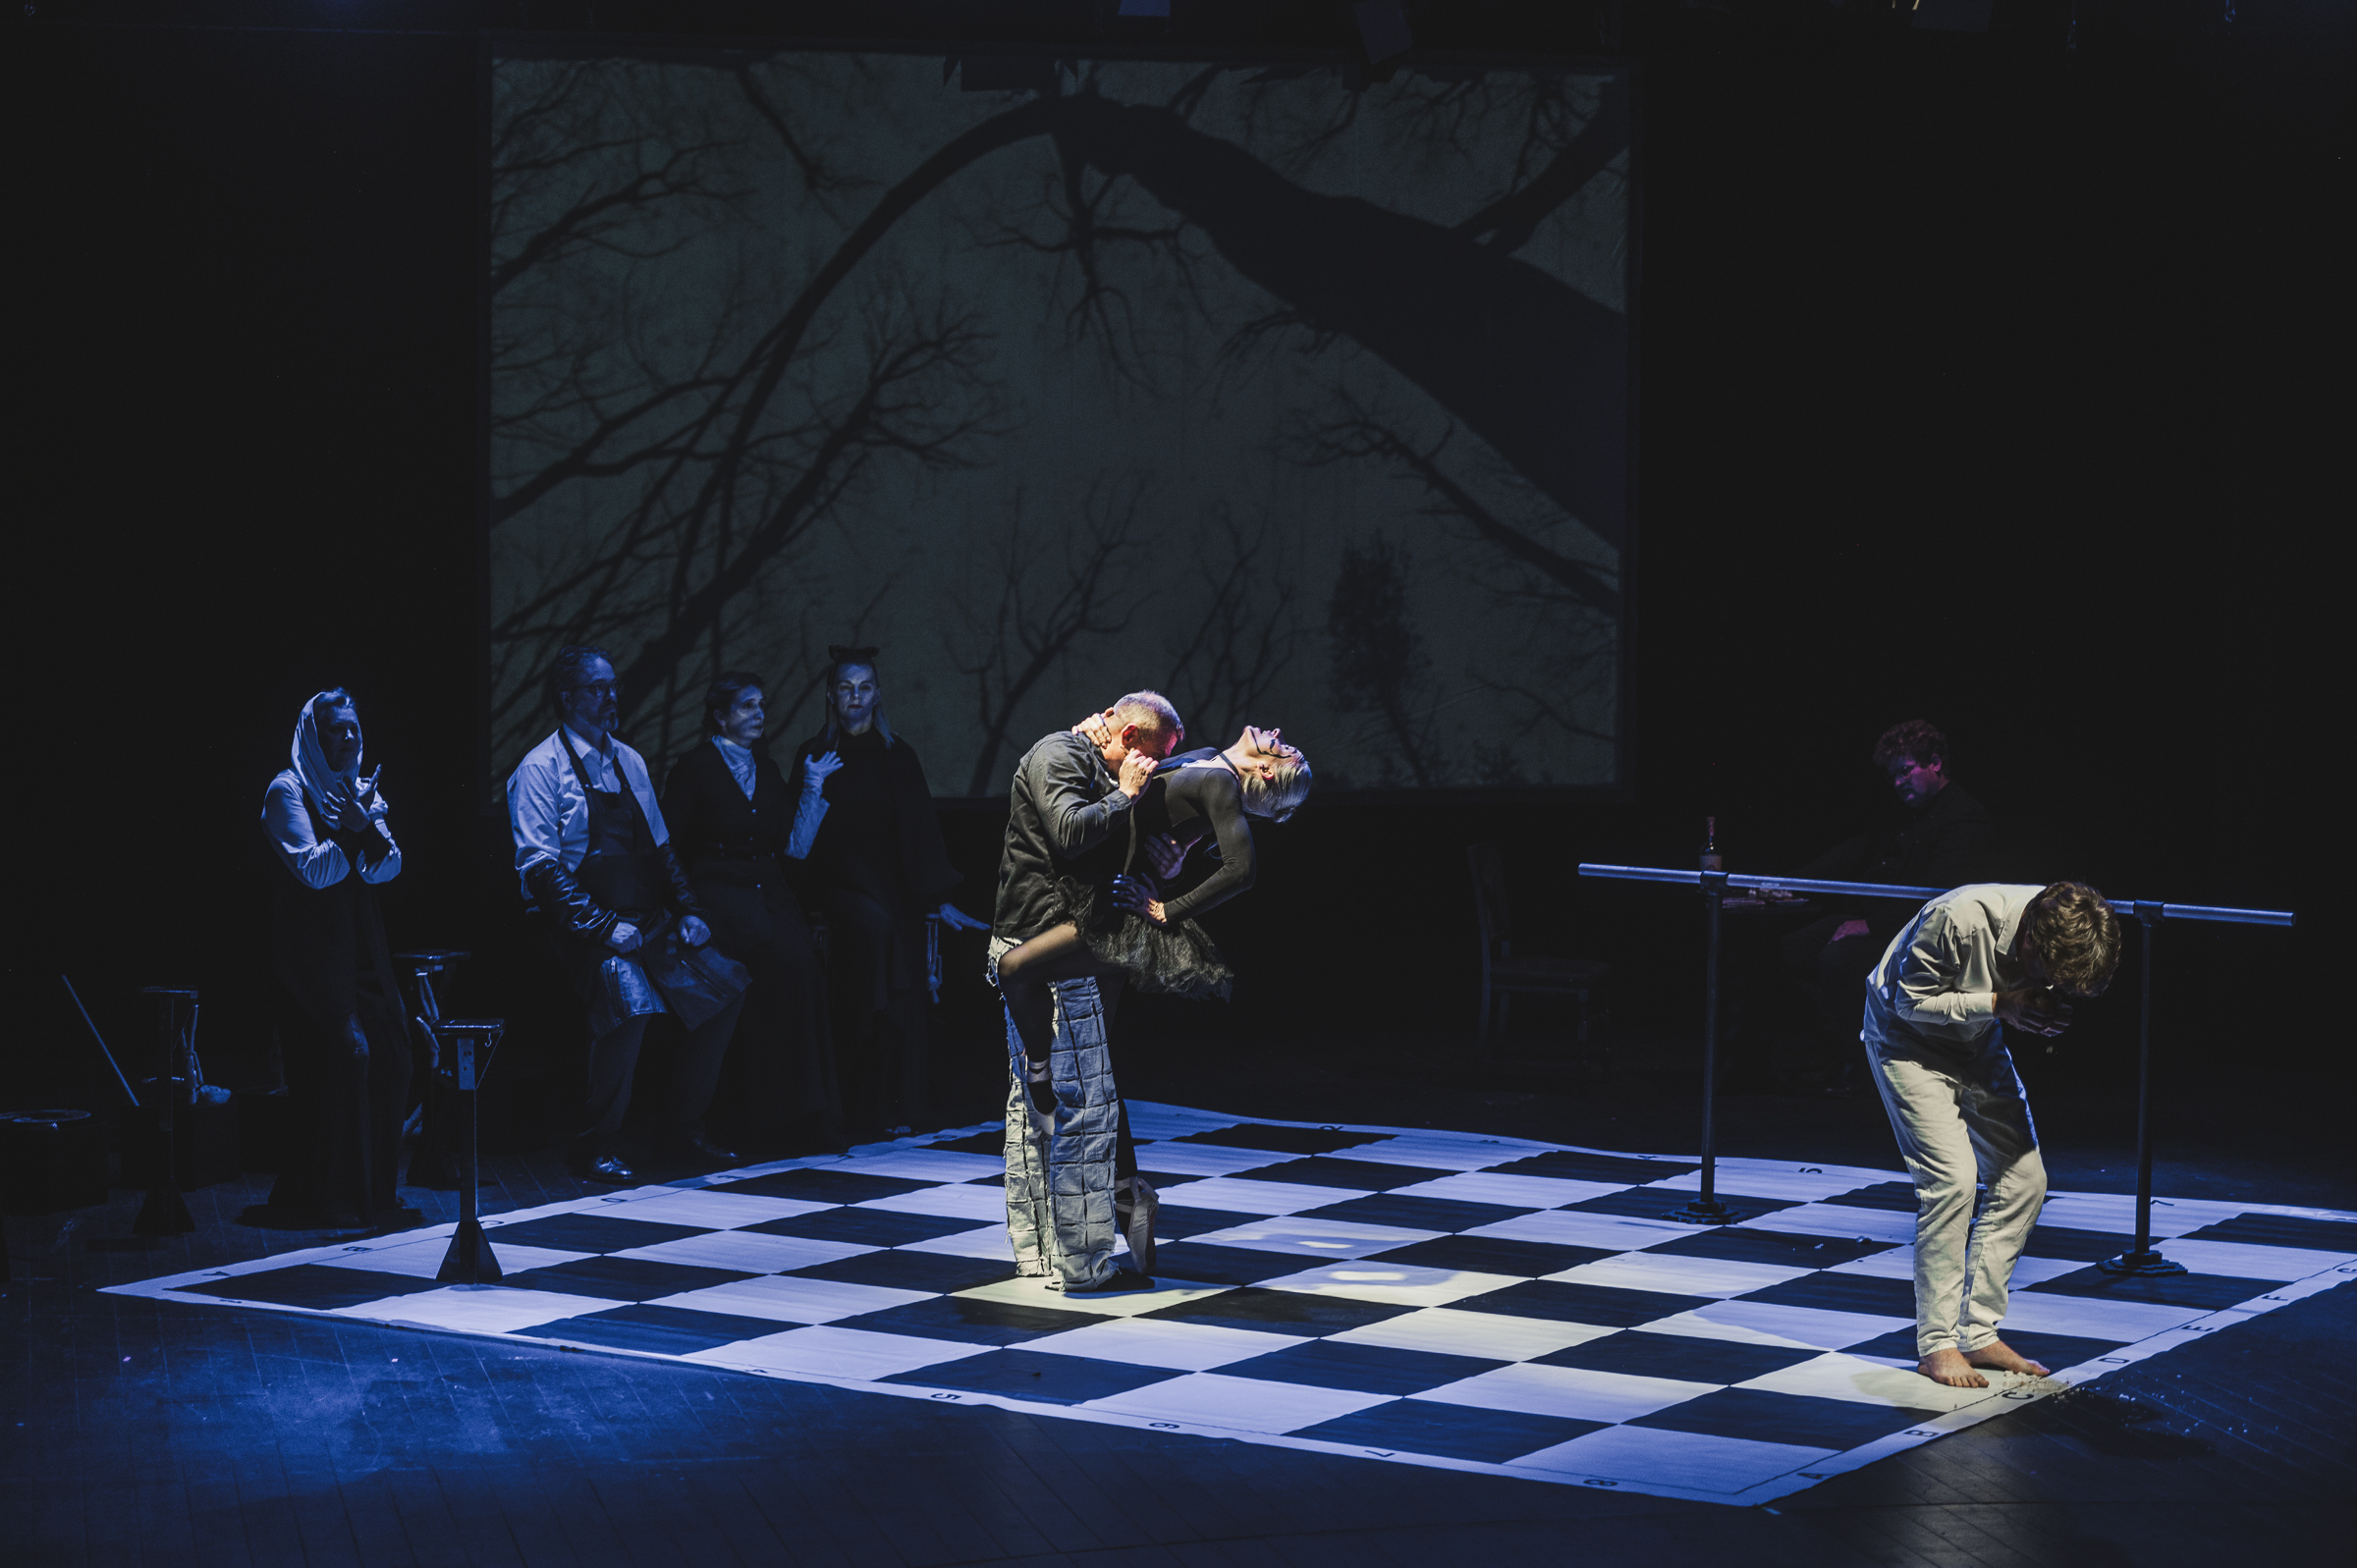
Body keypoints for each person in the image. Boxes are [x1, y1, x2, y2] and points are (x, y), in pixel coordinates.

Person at [1862, 880, 2120, 1389]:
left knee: (2024, 1182)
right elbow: (1907, 1001)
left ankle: (1977, 1332)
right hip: (1905, 1043)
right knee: (1952, 1183)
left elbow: (2010, 998)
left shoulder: (2061, 925)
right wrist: (2002, 1003)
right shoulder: (1958, 918)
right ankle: (1937, 1344)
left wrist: (2037, 1009)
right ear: (2029, 939)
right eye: (2044, 974)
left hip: (1976, 1043)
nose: (2044, 983)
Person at [508, 645, 747, 1183]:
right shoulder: (540, 768)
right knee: (630, 1000)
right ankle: (596, 1142)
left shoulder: (630, 761)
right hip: (575, 928)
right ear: (567, 697)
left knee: (724, 986)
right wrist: (601, 927)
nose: (611, 697)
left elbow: (662, 850)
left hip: (642, 919)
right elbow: (539, 868)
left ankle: (683, 1127)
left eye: (612, 686)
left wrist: (689, 909)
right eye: (598, 688)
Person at [989, 692, 1183, 1292]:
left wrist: (1162, 865)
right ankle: (1084, 1263)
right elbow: (1071, 833)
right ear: (1128, 737)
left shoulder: (1097, 765)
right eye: (1151, 757)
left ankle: (1048, 1251)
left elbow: (1100, 857)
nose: (1151, 770)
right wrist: (1126, 795)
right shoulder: (1059, 754)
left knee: (1049, 1105)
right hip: (1048, 950)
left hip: (1064, 948)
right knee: (1080, 1109)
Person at [785, 647, 985, 1137]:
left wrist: (938, 897)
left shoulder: (899, 755)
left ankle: (898, 1107)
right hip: (837, 889)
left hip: (893, 889)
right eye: (846, 687)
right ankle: (860, 1108)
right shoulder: (814, 755)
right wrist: (813, 788)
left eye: (865, 687)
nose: (855, 696)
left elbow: (919, 833)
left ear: (877, 695)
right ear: (831, 695)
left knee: (898, 941)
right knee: (875, 934)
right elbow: (798, 843)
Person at [661, 673, 840, 1154]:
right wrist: (686, 908)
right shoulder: (695, 767)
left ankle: (798, 1117)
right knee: (756, 977)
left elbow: (793, 847)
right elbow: (668, 845)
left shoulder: (767, 767)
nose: (759, 714)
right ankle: (739, 1120)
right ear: (720, 716)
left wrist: (812, 787)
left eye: (761, 705)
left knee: (801, 969)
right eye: (746, 706)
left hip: (767, 895)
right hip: (717, 898)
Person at [260, 689, 416, 1229]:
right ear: (314, 735)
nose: (348, 737)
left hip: (361, 941)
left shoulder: (359, 792)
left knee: (395, 1055)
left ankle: (375, 1195)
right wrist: (356, 829)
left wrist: (363, 823)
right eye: (336, 729)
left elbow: (388, 866)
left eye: (354, 727)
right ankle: (330, 1197)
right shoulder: (287, 791)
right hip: (313, 950)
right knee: (348, 1059)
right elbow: (317, 871)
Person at [1781, 720, 2001, 1089]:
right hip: (1887, 926)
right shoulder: (1901, 814)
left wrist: (1870, 926)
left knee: (1839, 960)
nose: (1898, 782)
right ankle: (1826, 1052)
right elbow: (1854, 852)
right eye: (1892, 775)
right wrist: (1787, 884)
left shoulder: (1964, 817)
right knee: (1789, 951)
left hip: (1932, 940)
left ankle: (1864, 1066)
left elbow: (1937, 897)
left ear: (1935, 763)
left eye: (1905, 771)